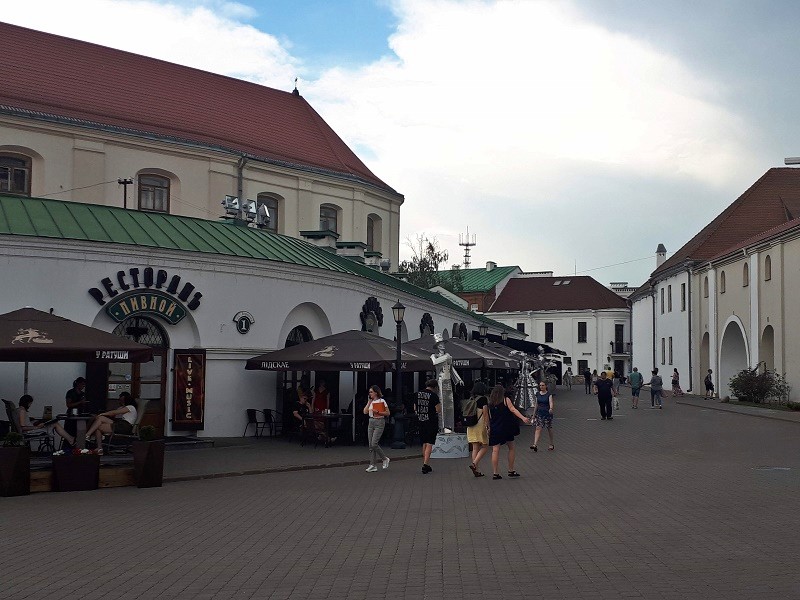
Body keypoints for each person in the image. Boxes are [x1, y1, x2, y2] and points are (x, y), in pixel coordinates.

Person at [487, 384, 530, 480]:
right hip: (506, 428)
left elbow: (489, 417)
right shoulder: (506, 400)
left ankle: (495, 473)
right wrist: (523, 418)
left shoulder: (491, 403)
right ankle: (511, 470)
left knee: (495, 450)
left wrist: (488, 427)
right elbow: (513, 410)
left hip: (495, 428)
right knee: (511, 448)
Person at [415, 379, 441, 474]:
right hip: (431, 421)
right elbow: (438, 409)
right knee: (430, 443)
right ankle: (425, 464)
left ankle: (425, 462)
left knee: (424, 442)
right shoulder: (434, 396)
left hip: (421, 420)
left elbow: (415, 407)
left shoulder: (418, 394)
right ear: (434, 387)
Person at [464, 381, 489, 478]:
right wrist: (488, 426)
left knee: (475, 448)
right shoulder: (483, 399)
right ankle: (474, 464)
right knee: (485, 446)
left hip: (471, 425)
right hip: (480, 425)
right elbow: (485, 414)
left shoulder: (471, 398)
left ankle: (477, 470)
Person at [363, 385, 390, 473]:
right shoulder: (370, 401)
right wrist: (369, 403)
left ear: (376, 392)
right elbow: (365, 412)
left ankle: (384, 458)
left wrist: (378, 412)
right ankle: (372, 465)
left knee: (374, 443)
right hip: (371, 422)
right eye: (369, 392)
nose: (370, 393)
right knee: (371, 445)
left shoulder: (382, 401)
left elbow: (387, 413)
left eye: (371, 392)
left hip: (379, 421)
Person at [530, 380, 555, 452]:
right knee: (538, 428)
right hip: (539, 413)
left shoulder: (549, 394)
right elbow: (536, 405)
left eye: (543, 385)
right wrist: (534, 415)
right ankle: (535, 444)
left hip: (547, 413)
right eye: (540, 385)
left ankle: (551, 443)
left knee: (549, 428)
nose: (541, 387)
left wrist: (551, 408)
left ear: (546, 386)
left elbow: (551, 402)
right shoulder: (538, 394)